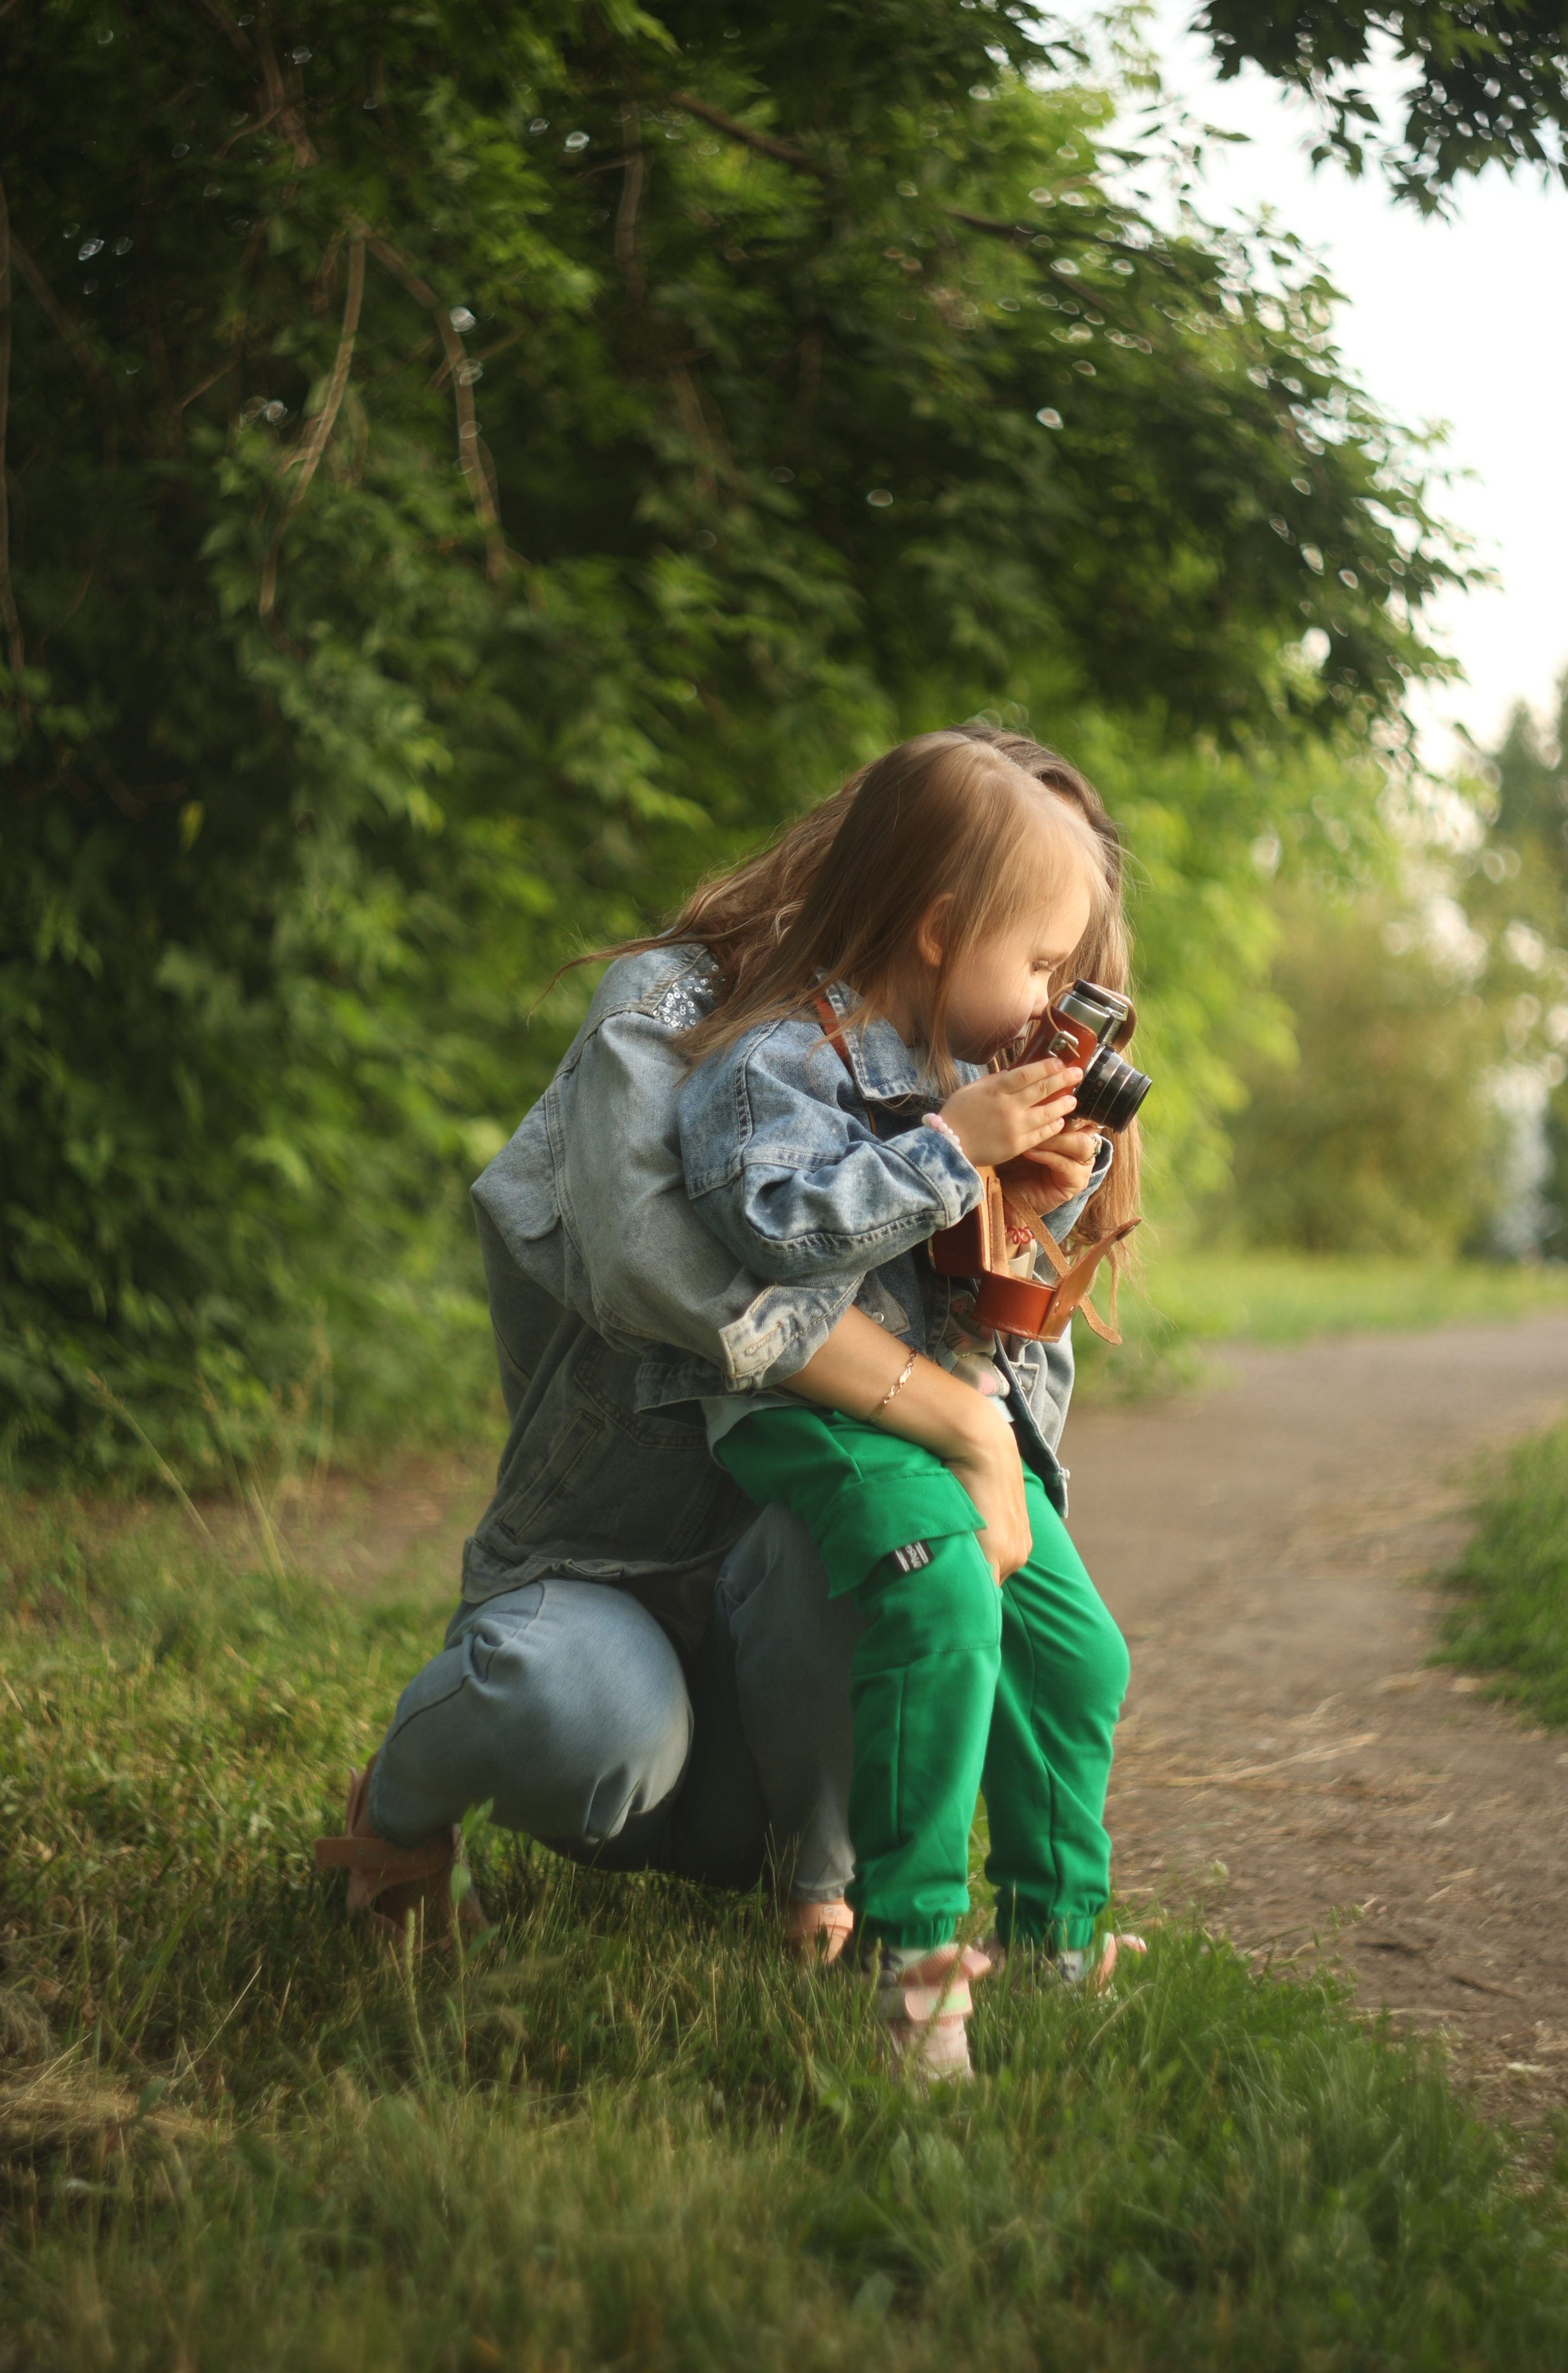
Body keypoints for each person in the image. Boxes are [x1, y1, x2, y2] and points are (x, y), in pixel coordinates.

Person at [313, 739, 1070, 1951]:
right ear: (935, 906)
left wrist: (1014, 1241)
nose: (1051, 1000)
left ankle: (814, 1876)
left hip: (781, 1672)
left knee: (903, 1545)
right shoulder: (698, 1012)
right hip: (609, 1567)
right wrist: (955, 1412)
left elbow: (1018, 1453)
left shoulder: (985, 1086)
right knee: (576, 1718)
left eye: (1071, 966)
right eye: (1037, 955)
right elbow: (669, 1274)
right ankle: (397, 1812)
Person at [674, 732, 1142, 2077]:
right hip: (815, 1407)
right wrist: (953, 1150)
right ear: (940, 930)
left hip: (931, 1403)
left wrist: (1024, 1195)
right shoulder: (771, 1061)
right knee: (937, 1592)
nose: (1057, 998)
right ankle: (914, 1958)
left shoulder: (956, 1072)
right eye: (1042, 965)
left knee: (1077, 1654)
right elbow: (773, 1229)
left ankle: (1057, 1940)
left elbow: (957, 1283)